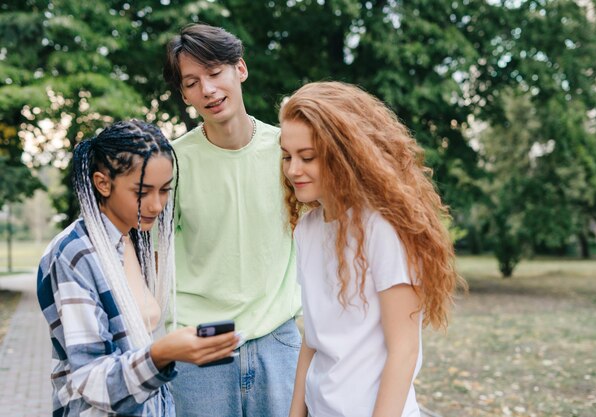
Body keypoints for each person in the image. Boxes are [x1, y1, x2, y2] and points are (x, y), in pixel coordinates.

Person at [279, 81, 465, 417]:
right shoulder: (306, 230)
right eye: (287, 156)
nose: (293, 169)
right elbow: (314, 339)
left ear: (344, 157)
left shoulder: (384, 230)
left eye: (307, 157)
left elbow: (403, 350)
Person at [36, 120, 239, 417]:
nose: (157, 205)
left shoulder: (137, 239)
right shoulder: (74, 254)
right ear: (103, 183)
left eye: (165, 190)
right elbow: (90, 378)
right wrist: (163, 353)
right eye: (143, 192)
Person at [162, 24, 301, 417]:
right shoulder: (172, 162)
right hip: (198, 346)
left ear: (240, 69)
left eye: (214, 72)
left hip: (278, 339)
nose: (206, 89)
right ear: (185, 93)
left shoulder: (287, 152)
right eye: (192, 82)